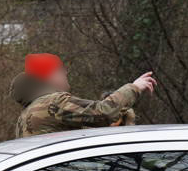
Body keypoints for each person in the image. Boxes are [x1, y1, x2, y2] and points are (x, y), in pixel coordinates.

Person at [10, 52, 156, 137]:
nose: (66, 73)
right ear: (49, 75)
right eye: (61, 69)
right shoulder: (54, 103)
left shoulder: (26, 113)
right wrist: (134, 87)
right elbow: (104, 112)